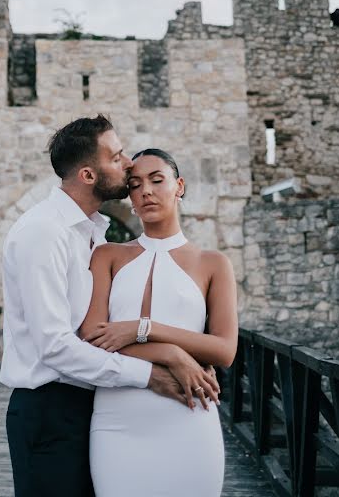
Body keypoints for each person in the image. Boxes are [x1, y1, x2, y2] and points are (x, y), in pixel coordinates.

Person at [0, 117, 220, 497]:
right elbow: (56, 345)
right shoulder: (44, 232)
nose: (128, 163)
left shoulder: (92, 233)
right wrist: (151, 372)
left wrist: (170, 350)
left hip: (93, 406)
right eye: (117, 157)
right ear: (88, 174)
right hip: (49, 411)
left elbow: (103, 328)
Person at [81, 148, 239, 496]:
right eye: (135, 185)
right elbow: (92, 338)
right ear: (130, 198)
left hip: (189, 415)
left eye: (157, 180)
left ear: (179, 186)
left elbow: (225, 351)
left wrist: (143, 328)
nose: (146, 191)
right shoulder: (108, 255)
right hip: (116, 423)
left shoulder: (213, 263)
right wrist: (172, 353)